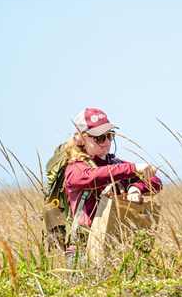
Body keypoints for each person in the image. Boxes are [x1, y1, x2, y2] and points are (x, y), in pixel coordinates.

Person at [64, 107, 163, 266]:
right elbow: (91, 177)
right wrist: (132, 169)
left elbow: (155, 181)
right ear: (80, 139)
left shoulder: (114, 164)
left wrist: (136, 188)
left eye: (110, 135)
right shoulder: (75, 168)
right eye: (100, 137)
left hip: (115, 248)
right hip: (82, 252)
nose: (107, 141)